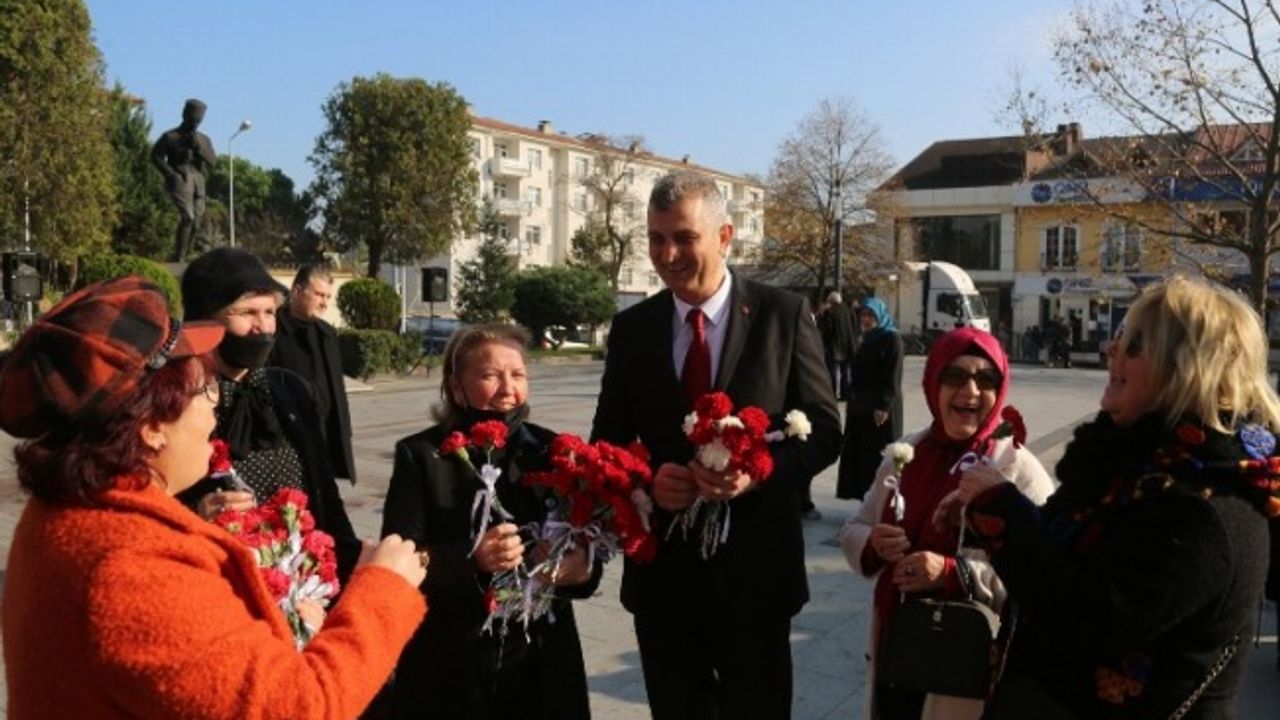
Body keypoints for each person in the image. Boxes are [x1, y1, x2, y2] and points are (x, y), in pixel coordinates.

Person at [0, 276, 428, 718]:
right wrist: (382, 591)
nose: (213, 408)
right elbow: (299, 709)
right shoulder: (133, 567)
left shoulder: (73, 509)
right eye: (204, 389)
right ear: (152, 426)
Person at [942, 276, 1280, 718]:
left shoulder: (1203, 505)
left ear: (1186, 371)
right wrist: (986, 518)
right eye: (1118, 338)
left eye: (1134, 346)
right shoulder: (1133, 464)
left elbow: (1087, 617)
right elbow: (1064, 546)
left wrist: (1002, 510)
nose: (1111, 351)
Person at [591, 170, 842, 719]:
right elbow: (606, 443)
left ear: (725, 236)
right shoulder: (633, 330)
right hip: (664, 581)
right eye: (656, 239)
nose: (667, 255)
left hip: (756, 577)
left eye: (684, 238)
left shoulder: (782, 315)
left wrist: (758, 472)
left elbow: (825, 431)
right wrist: (646, 482)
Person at [382, 323, 599, 719]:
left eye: (518, 375)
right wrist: (471, 559)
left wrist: (582, 569)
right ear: (456, 386)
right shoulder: (422, 455)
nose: (507, 389)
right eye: (490, 376)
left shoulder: (551, 450)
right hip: (453, 661)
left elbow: (585, 540)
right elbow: (396, 562)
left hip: (540, 662)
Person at [840, 327, 1055, 720]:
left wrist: (952, 573)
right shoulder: (907, 452)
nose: (970, 391)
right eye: (954, 376)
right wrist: (874, 543)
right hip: (896, 649)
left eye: (985, 379)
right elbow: (855, 526)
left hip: (963, 668)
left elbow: (1043, 575)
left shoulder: (1016, 469)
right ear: (932, 383)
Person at [177, 247, 362, 581]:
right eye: (247, 312)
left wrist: (354, 564)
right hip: (219, 582)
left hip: (305, 585)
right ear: (206, 320)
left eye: (269, 312)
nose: (262, 327)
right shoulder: (177, 400)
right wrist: (195, 514)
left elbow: (325, 494)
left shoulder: (291, 390)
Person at [268, 264, 357, 482]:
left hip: (326, 437)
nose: (325, 303)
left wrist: (344, 431)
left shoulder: (328, 334)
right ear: (297, 291)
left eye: (328, 296)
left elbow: (337, 389)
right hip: (288, 440)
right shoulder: (272, 331)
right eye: (319, 295)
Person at [837, 297, 904, 500]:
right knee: (862, 455)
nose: (866, 319)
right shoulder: (865, 338)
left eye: (871, 315)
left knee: (879, 455)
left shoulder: (891, 339)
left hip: (880, 408)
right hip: (861, 407)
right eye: (863, 315)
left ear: (880, 316)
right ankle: (864, 498)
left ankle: (881, 500)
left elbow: (893, 374)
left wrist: (884, 405)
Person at [151, 98, 216, 262]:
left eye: (198, 120)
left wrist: (199, 148)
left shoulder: (204, 139)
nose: (195, 123)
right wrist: (170, 174)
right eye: (193, 119)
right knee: (188, 217)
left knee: (196, 223)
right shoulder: (170, 136)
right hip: (181, 178)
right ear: (184, 115)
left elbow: (213, 162)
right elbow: (156, 156)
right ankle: (179, 258)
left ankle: (183, 257)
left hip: (198, 181)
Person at [820, 291, 857, 400]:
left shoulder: (829, 312)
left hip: (834, 346)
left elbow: (827, 330)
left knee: (833, 371)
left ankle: (833, 393)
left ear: (831, 301)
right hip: (848, 345)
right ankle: (845, 393)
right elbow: (855, 326)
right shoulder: (849, 310)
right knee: (845, 370)